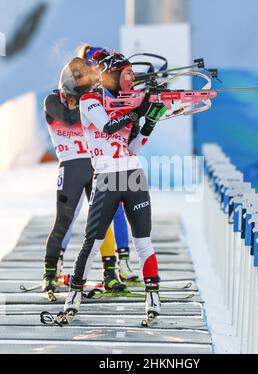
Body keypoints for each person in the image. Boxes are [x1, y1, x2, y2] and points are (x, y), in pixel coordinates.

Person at [57, 52, 166, 322]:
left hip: (132, 175)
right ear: (113, 75)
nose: (132, 78)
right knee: (91, 242)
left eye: (132, 73)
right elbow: (106, 127)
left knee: (143, 241)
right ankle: (73, 297)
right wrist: (136, 111)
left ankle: (153, 298)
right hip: (107, 177)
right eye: (126, 73)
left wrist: (149, 122)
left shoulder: (126, 103)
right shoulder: (90, 100)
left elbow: (133, 147)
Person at [43, 57, 135, 297]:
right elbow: (71, 118)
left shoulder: (93, 100)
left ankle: (110, 274)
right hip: (71, 167)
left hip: (94, 165)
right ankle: (50, 274)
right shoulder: (53, 101)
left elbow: (114, 117)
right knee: (63, 221)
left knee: (101, 223)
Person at [78, 44, 139, 282]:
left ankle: (119, 265)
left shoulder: (107, 86)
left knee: (117, 211)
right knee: (84, 220)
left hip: (105, 158)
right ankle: (65, 271)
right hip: (83, 158)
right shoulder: (83, 88)